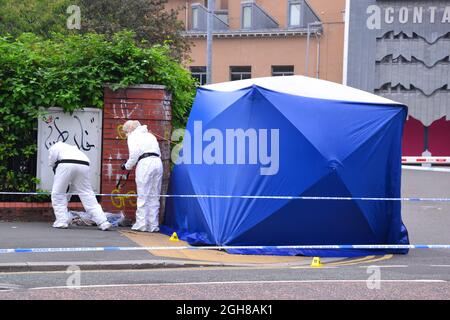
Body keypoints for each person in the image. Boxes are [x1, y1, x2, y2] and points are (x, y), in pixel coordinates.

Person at [48, 141, 112, 231]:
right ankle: (103, 222)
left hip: (66, 164)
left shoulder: (55, 146)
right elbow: (71, 187)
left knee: (58, 194)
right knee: (87, 194)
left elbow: (52, 162)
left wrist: (55, 168)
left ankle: (61, 221)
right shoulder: (73, 148)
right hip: (84, 164)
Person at [121, 120, 163, 232]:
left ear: (130, 129)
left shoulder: (133, 136)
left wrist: (126, 166)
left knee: (143, 194)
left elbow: (134, 154)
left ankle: (141, 224)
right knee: (154, 195)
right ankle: (153, 225)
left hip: (145, 163)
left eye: (125, 132)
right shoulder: (150, 135)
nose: (125, 134)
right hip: (158, 162)